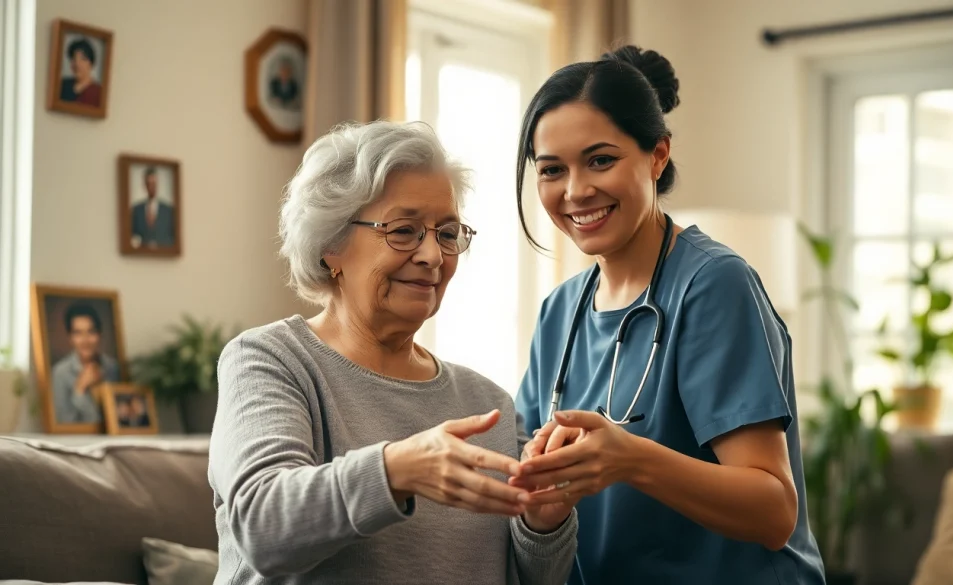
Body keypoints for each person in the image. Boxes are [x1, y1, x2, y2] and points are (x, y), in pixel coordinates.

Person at [208, 120, 578, 584]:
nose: (432, 255)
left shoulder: (490, 404)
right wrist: (399, 468)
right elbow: (262, 527)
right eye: (404, 230)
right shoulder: (270, 359)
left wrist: (543, 522)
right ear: (330, 246)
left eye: (446, 232)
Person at [510, 45, 826, 584]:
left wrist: (629, 458)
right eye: (551, 170)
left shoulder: (712, 285)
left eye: (601, 160)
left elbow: (774, 510)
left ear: (657, 155)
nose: (575, 190)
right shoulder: (560, 311)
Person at [50, 303, 121, 424]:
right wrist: (79, 390)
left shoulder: (112, 367)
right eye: (78, 333)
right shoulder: (60, 372)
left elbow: (117, 419)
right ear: (70, 338)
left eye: (91, 332)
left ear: (99, 334)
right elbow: (63, 423)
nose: (85, 340)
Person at [130, 167, 175, 249]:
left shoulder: (168, 210)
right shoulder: (136, 210)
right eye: (148, 184)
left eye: (154, 183)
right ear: (145, 185)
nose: (151, 187)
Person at [59, 37, 102, 107]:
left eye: (83, 59)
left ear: (91, 64)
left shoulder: (99, 92)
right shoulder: (62, 85)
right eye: (74, 59)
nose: (77, 64)